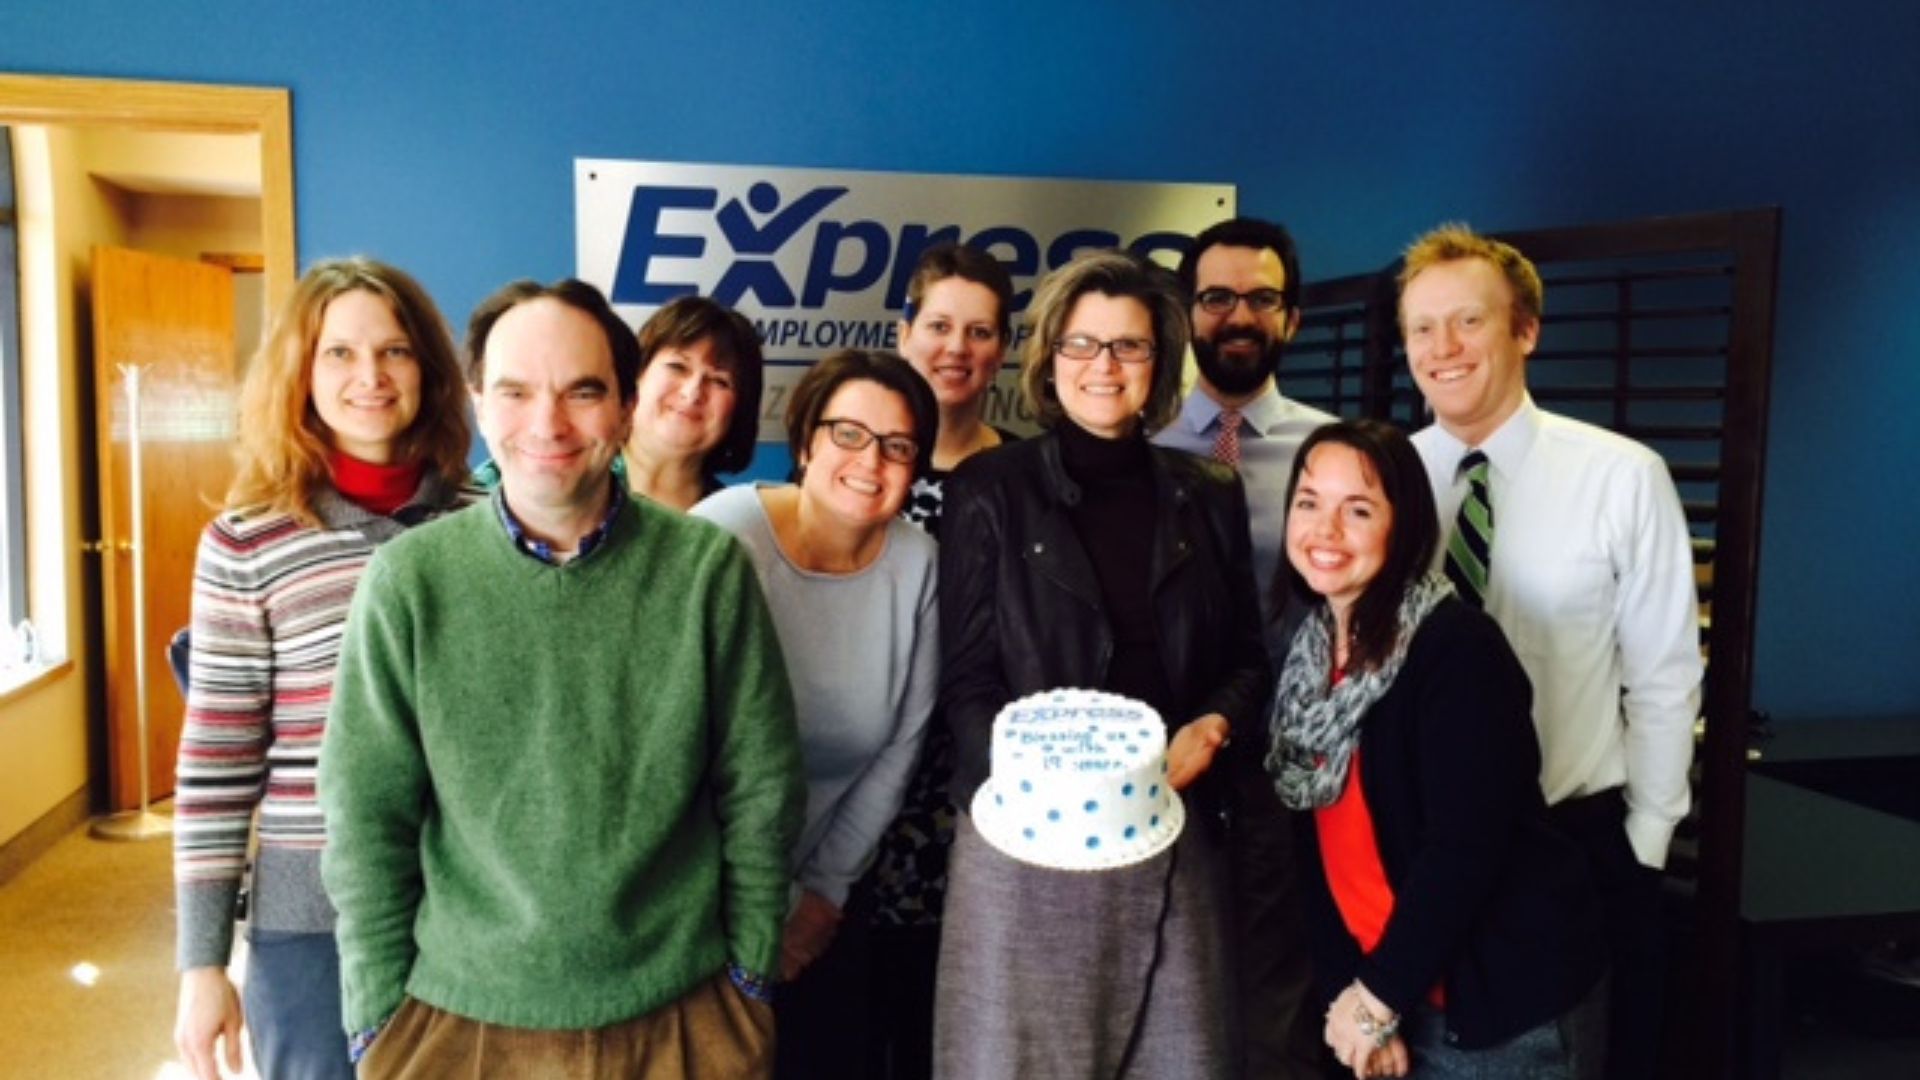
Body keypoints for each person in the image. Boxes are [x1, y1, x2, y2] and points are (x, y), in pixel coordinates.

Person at [319, 278, 805, 1078]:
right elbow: (365, 817)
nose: (547, 424)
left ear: (625, 407)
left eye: (582, 391)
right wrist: (377, 1019)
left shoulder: (706, 569)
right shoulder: (408, 582)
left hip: (683, 1017)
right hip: (458, 1026)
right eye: (515, 392)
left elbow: (762, 789)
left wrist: (749, 979)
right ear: (479, 403)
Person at [936, 249, 1271, 1079]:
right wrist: (1034, 795)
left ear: (1158, 362)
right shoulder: (988, 489)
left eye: (1129, 346)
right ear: (1051, 356)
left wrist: (1214, 725)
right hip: (1026, 841)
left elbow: (1247, 659)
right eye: (1082, 344)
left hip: (1173, 823)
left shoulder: (1209, 490)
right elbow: (967, 679)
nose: (1104, 366)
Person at [1399, 224, 1701, 1078]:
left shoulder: (1622, 476)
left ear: (1525, 330)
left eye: (1469, 321)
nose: (1442, 348)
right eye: (1422, 328)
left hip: (1570, 844)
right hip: (1424, 852)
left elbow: (1665, 678)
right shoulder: (1386, 479)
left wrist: (1644, 843)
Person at [172, 257, 476, 1080]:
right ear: (300, 373)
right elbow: (217, 764)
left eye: (395, 351)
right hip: (312, 924)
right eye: (339, 352)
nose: (369, 375)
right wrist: (201, 965)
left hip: (475, 913)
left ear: (428, 370)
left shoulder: (489, 526)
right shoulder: (247, 542)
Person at [1267, 420, 1606, 1079]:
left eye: (1358, 510)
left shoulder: (1456, 650)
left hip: (1498, 1005)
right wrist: (1353, 998)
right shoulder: (1309, 656)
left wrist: (1378, 998)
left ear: (1404, 527)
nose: (1324, 530)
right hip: (1387, 993)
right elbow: (1315, 856)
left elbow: (1465, 850)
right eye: (1308, 502)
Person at [693, 348, 940, 1078]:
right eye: (849, 433)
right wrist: (767, 901)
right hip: (696, 887)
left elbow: (900, 745)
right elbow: (678, 749)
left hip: (830, 894)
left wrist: (821, 899)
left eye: (897, 446)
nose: (871, 460)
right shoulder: (722, 535)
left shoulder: (918, 563)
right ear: (805, 442)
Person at [1155, 217, 1333, 1079]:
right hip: (1168, 754)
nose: (1238, 316)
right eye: (1217, 297)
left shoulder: (1334, 453)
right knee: (1171, 982)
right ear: (1188, 313)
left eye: (1261, 298)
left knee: (1279, 997)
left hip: (1294, 764)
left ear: (1291, 317)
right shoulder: (1137, 448)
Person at [860, 242, 1018, 1080]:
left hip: (974, 793)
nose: (957, 347)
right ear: (904, 331)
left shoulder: (1025, 476)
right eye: (940, 325)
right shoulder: (857, 468)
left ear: (1002, 349)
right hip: (857, 791)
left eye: (980, 331)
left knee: (951, 1029)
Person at [473, 293, 763, 510]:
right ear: (633, 378)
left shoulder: (737, 523)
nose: (693, 392)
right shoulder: (520, 476)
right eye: (678, 367)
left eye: (719, 381)